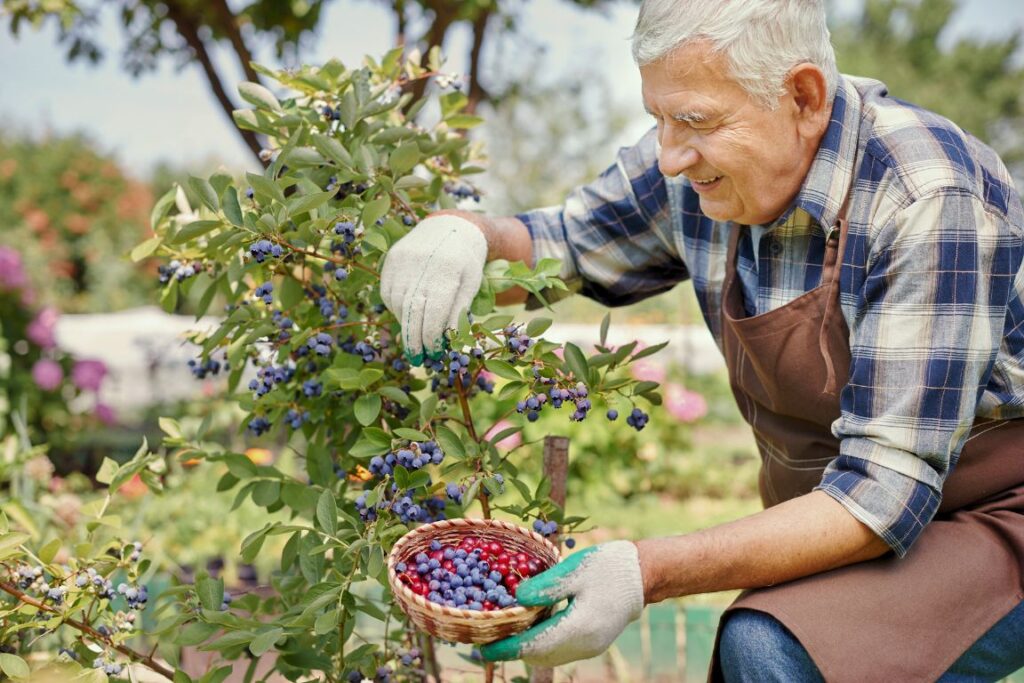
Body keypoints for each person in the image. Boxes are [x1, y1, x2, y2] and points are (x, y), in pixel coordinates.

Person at [380, 0, 1024, 679]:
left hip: (995, 513)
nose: (668, 156)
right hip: (854, 509)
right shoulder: (694, 170)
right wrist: (466, 237)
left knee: (772, 646)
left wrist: (644, 570)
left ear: (803, 96)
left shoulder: (928, 195)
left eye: (693, 121)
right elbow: (560, 245)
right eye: (658, 118)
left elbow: (881, 494)